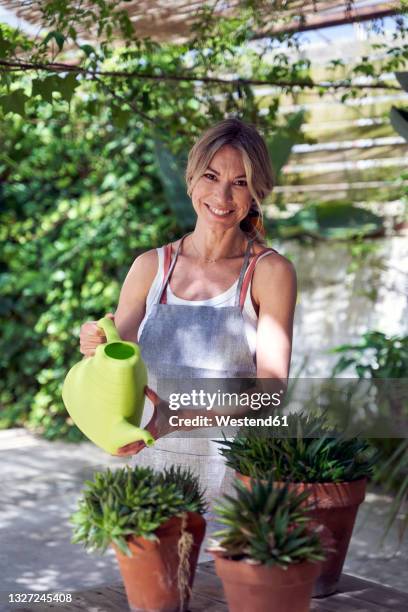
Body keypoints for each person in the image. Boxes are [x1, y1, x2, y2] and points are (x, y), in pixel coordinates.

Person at [79, 117, 297, 503]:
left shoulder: (269, 272)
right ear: (192, 179)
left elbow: (272, 391)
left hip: (237, 483)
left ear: (255, 193)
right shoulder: (151, 268)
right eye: (211, 177)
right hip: (153, 473)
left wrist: (182, 418)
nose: (223, 196)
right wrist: (93, 344)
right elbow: (115, 364)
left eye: (240, 182)